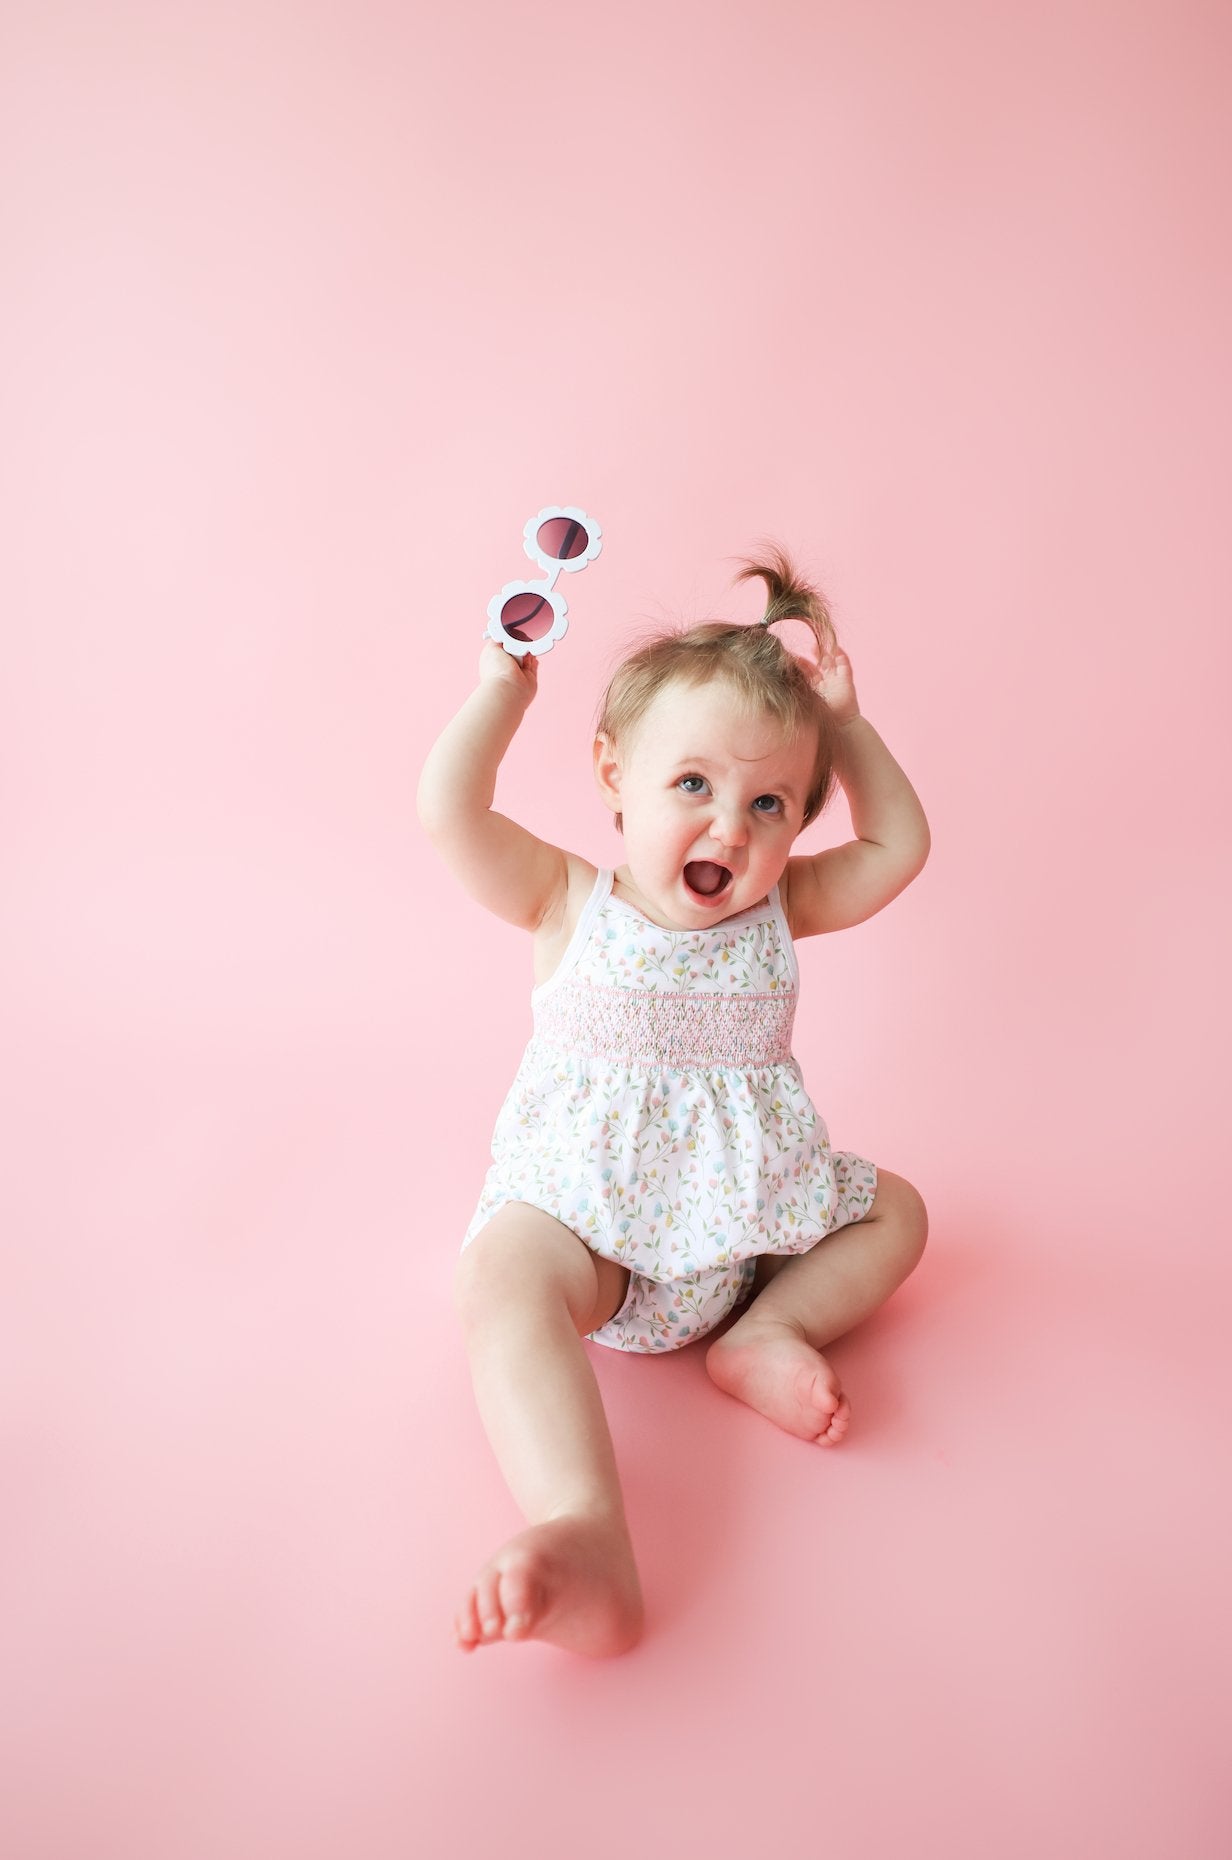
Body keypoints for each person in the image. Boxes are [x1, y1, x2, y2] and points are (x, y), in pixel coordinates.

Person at [416, 545, 930, 1658]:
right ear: (612, 774)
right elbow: (448, 812)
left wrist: (849, 728)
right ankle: (585, 1531)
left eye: (768, 801)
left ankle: (770, 1334)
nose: (727, 828)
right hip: (591, 1242)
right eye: (690, 784)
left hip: (743, 1246)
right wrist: (498, 693)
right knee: (497, 1274)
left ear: (798, 821)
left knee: (902, 1211)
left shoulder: (782, 906)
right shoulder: (567, 900)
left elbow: (897, 846)